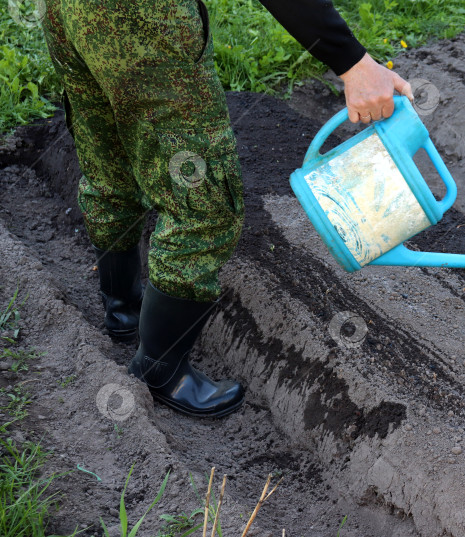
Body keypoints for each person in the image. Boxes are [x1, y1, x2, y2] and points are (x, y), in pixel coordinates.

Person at [40, 0, 413, 418]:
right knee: (205, 205)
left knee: (111, 162)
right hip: (142, 21)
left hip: (70, 12)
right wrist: (352, 61)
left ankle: (122, 310)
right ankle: (161, 371)